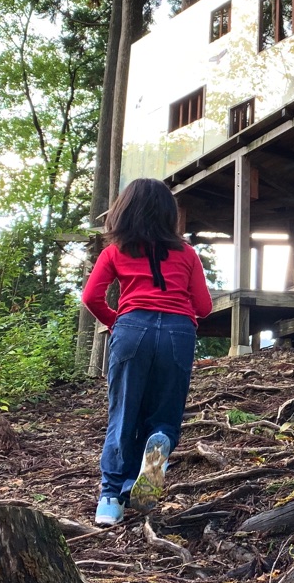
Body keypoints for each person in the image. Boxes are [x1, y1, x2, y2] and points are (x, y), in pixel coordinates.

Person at [81, 178, 212, 526]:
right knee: (165, 413)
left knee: (123, 412)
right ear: (169, 214)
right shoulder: (187, 254)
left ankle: (111, 499)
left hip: (131, 329)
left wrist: (116, 323)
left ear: (123, 211)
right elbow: (204, 306)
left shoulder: (115, 252)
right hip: (178, 332)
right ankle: (159, 444)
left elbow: (91, 297)